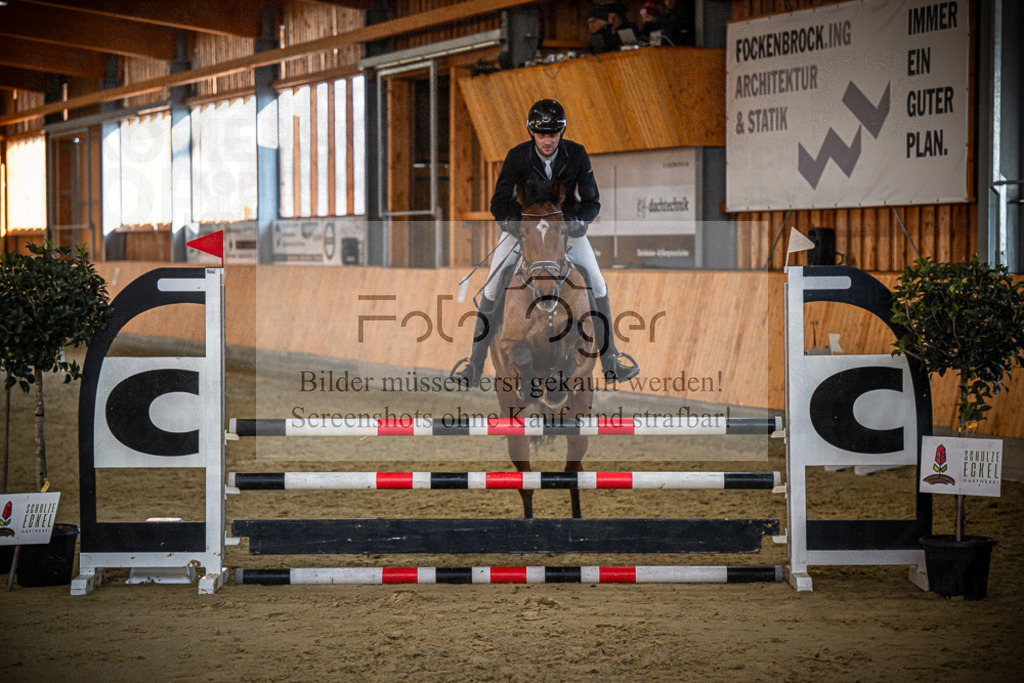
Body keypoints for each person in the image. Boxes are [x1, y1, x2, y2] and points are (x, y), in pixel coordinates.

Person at [451, 99, 640, 387]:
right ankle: (474, 366)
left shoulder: (576, 154)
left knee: (597, 282)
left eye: (553, 134)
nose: (548, 140)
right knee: (491, 285)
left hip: (564, 231)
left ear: (561, 133)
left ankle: (611, 360)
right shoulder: (517, 157)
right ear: (532, 134)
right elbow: (499, 202)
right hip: (523, 232)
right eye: (542, 135)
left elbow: (591, 201)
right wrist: (516, 224)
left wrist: (577, 222)